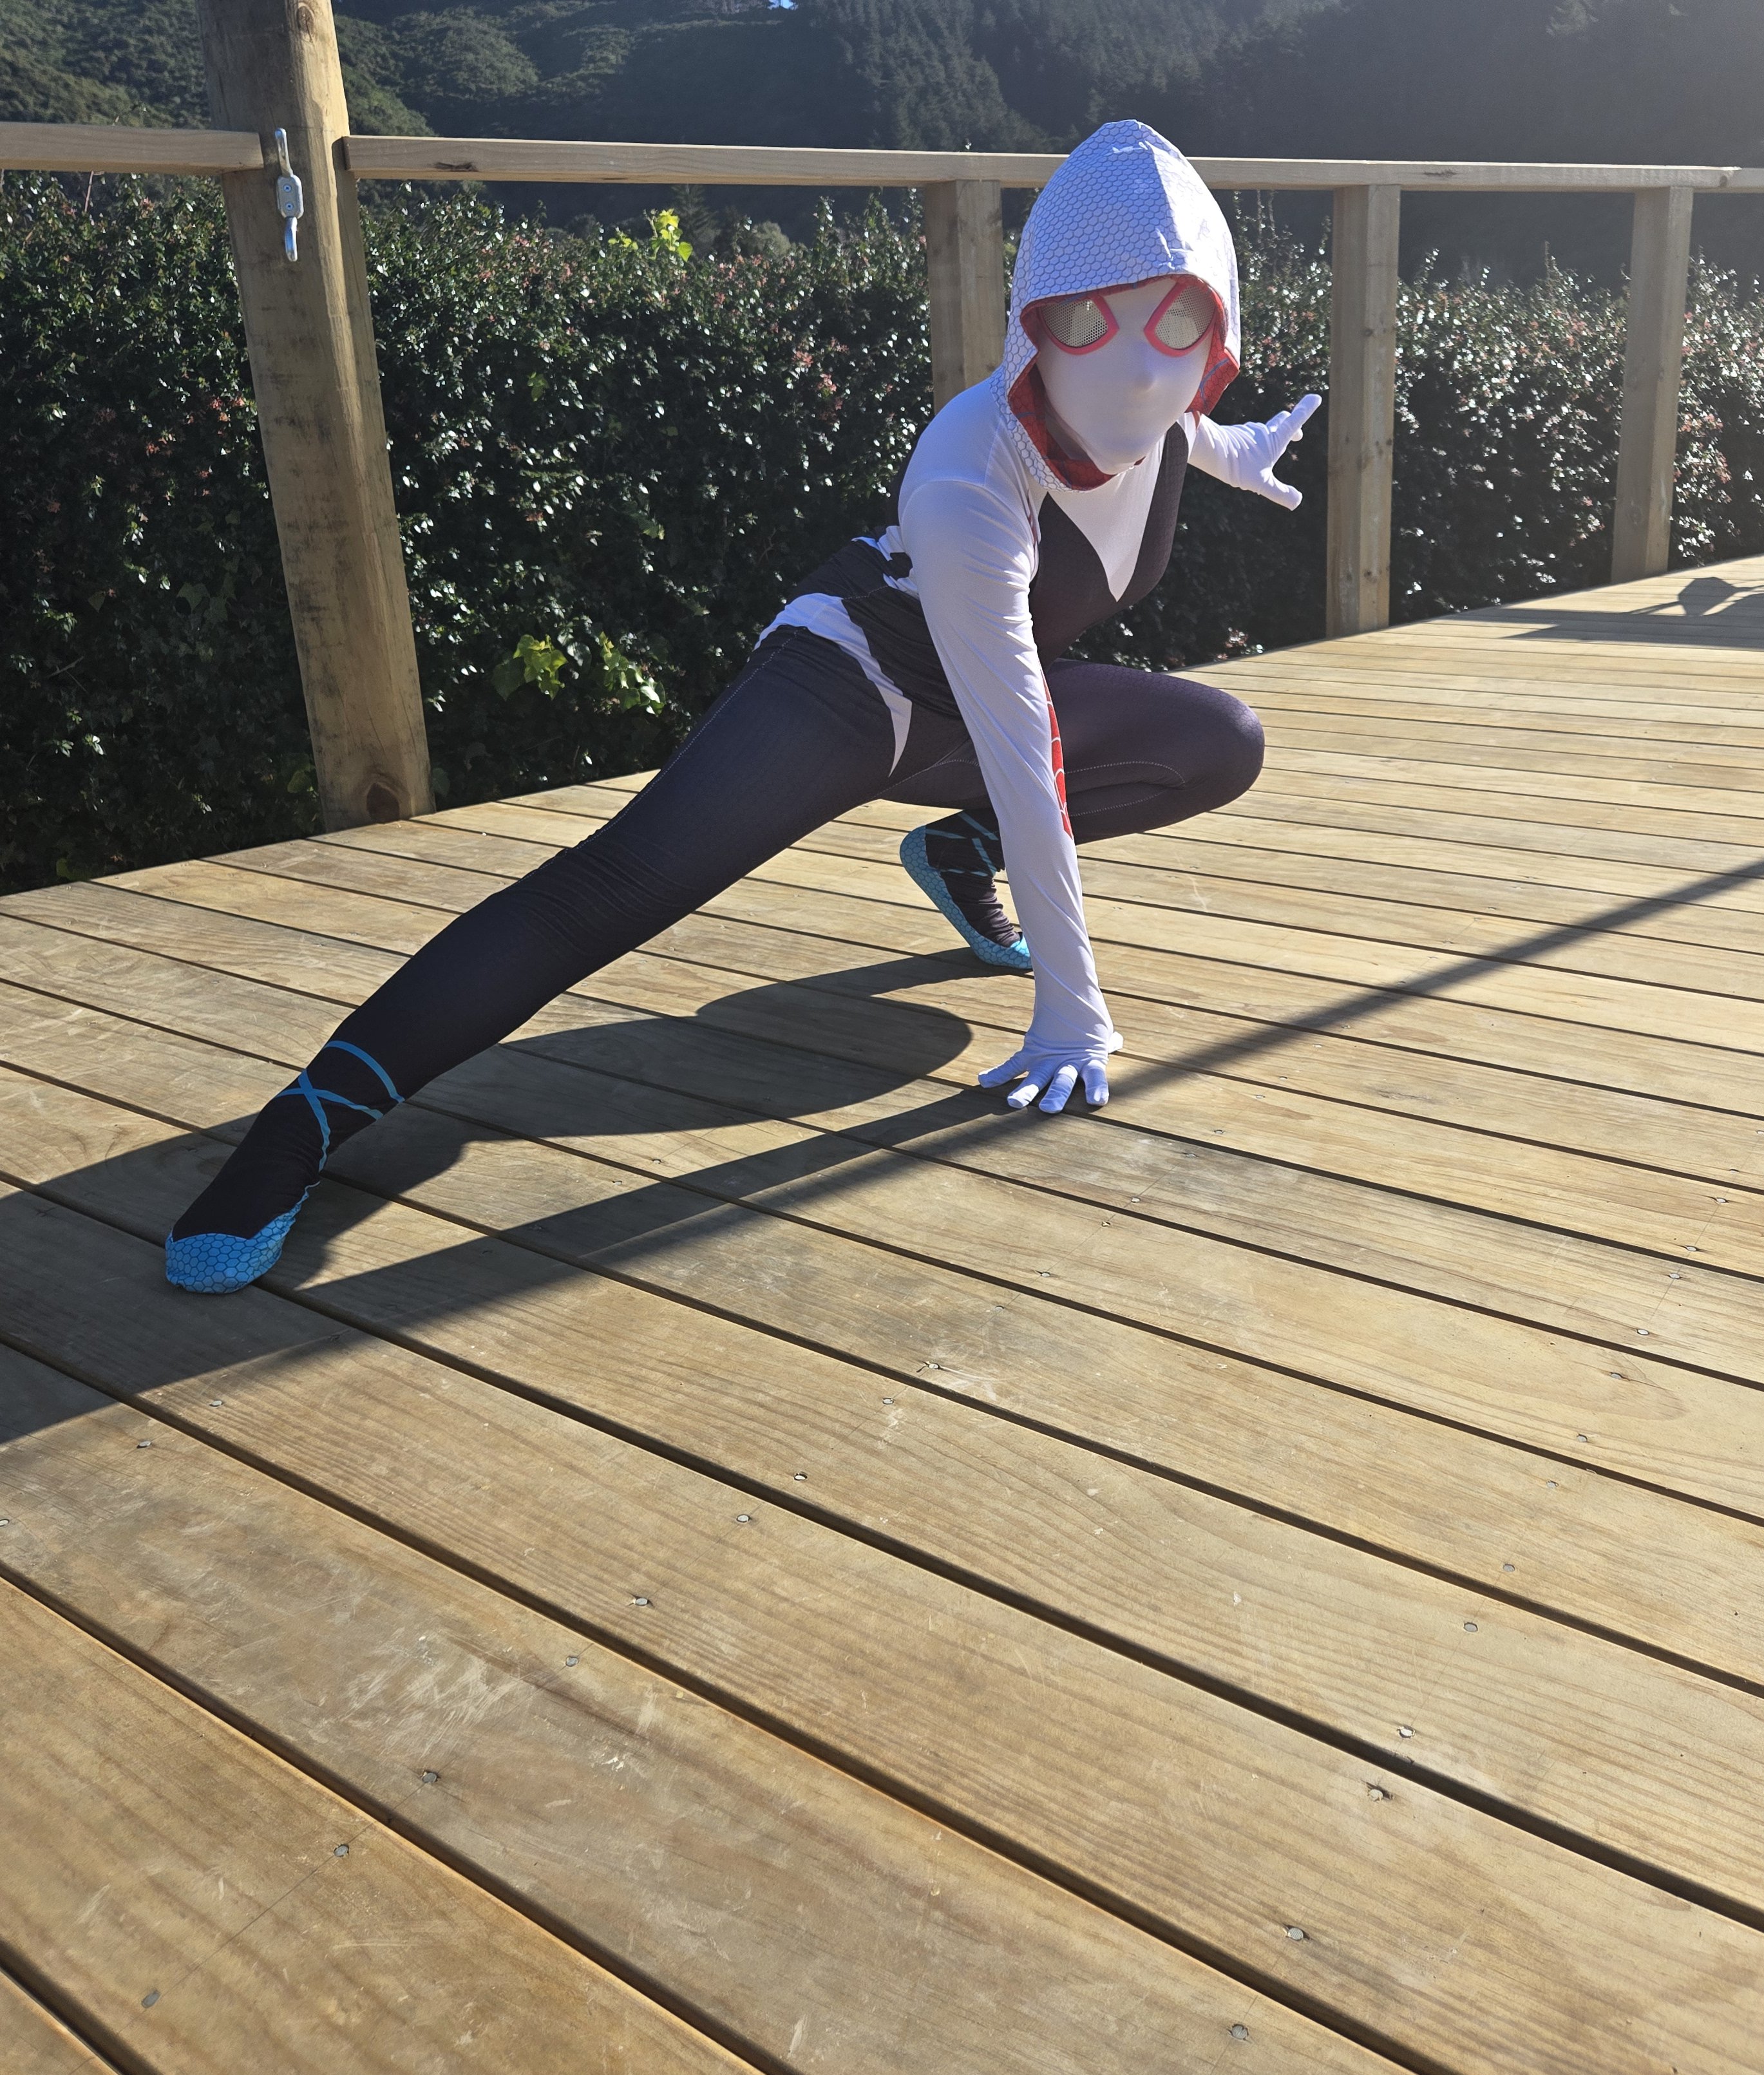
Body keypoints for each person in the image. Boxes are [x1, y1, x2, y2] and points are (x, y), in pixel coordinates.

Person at [165, 119, 1318, 1293]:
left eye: (1179, 321)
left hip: (980, 697)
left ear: (1218, 336)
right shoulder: (974, 470)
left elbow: (1177, 431)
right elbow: (1027, 755)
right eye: (1088, 320)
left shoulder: (1160, 419)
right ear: (1035, 323)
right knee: (609, 890)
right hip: (854, 684)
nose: (1139, 367)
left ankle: (953, 852)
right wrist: (1073, 1009)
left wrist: (1239, 453)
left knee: (1216, 741)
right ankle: (303, 1122)